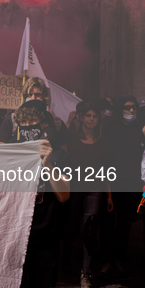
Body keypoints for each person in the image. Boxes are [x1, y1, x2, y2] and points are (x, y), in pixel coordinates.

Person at [13, 100, 70, 288]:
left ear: (44, 124)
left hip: (47, 236)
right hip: (18, 234)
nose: (29, 126)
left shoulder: (59, 156)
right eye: (24, 123)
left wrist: (48, 165)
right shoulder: (14, 154)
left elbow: (64, 195)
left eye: (33, 121)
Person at [65, 102, 112, 288]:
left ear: (98, 119)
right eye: (88, 116)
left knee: (89, 229)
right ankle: (65, 265)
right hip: (74, 188)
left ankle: (85, 271)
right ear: (82, 117)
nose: (91, 119)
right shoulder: (73, 138)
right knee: (70, 228)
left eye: (94, 116)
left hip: (95, 188)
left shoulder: (102, 141)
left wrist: (109, 195)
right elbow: (59, 151)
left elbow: (106, 170)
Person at [100, 94, 145, 275]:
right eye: (127, 107)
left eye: (133, 107)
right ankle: (105, 260)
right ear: (120, 110)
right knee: (108, 223)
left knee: (125, 224)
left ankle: (119, 258)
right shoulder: (111, 127)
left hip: (132, 183)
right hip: (112, 182)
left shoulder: (139, 129)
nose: (131, 111)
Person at [0, 77, 70, 149]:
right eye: (29, 95)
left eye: (37, 95)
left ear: (44, 96)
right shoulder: (13, 120)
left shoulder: (57, 123)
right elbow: (2, 147)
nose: (33, 98)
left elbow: (63, 151)